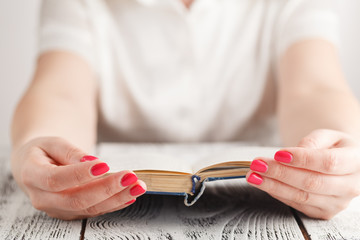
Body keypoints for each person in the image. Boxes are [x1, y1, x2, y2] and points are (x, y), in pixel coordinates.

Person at [11, 0, 360, 220]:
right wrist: (43, 149)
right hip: (116, 196)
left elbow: (315, 87)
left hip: (264, 194)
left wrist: (332, 153)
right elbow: (61, 91)